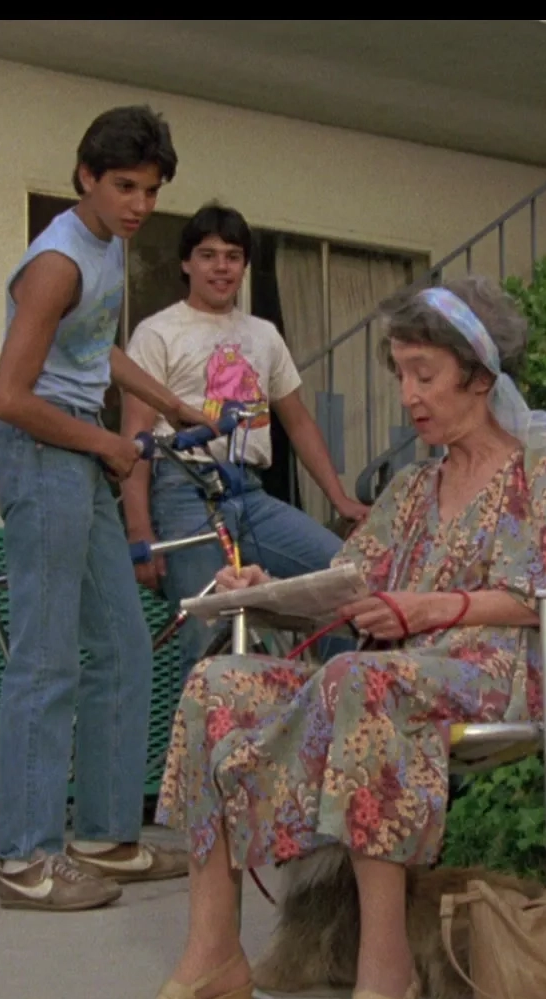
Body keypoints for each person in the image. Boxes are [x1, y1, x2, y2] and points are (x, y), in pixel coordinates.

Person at [110, 276, 546, 999]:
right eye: (400, 373)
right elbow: (348, 585)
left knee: (363, 681)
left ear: (479, 374)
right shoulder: (412, 486)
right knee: (216, 686)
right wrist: (265, 588)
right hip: (399, 671)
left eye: (424, 375)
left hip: (507, 669)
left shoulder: (543, 472)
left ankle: (384, 971)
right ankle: (213, 959)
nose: (407, 394)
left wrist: (428, 610)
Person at [0, 105, 216, 913]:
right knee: (45, 663)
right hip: (45, 458)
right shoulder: (55, 263)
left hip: (78, 458)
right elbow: (8, 397)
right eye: (125, 186)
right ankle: (25, 860)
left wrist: (173, 405)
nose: (139, 205)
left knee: (124, 647)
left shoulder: (110, 246)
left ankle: (106, 837)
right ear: (86, 177)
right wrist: (109, 447)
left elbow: (95, 350)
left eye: (151, 190)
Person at [119, 202, 369, 676]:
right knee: (208, 634)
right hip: (183, 489)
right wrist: (140, 531)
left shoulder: (264, 335)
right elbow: (137, 433)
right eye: (208, 255)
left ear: (244, 265)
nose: (221, 267)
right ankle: (208, 749)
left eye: (232, 256)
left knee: (342, 580)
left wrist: (339, 497)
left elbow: (297, 421)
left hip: (248, 491)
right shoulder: (158, 332)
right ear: (185, 263)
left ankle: (335, 712)